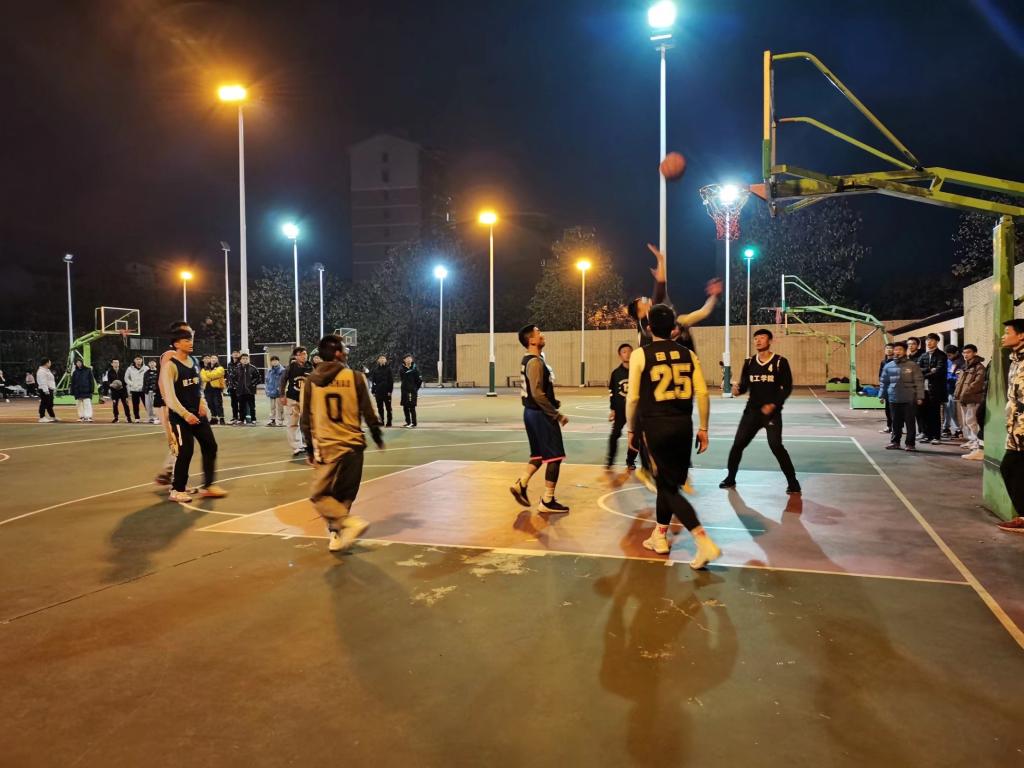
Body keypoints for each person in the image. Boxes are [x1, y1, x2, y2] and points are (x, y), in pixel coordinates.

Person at [624, 304, 719, 566]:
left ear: (649, 328)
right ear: (673, 328)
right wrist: (704, 428)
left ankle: (703, 541)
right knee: (669, 485)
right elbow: (702, 393)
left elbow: (633, 398)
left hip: (656, 427)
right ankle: (660, 535)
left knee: (667, 489)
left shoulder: (641, 354)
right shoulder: (688, 354)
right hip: (683, 426)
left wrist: (631, 430)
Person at [300, 334, 385, 552]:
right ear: (338, 353)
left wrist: (309, 448)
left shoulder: (311, 381)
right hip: (353, 444)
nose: (346, 353)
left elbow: (305, 419)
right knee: (345, 494)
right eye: (344, 349)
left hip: (327, 447)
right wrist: (377, 436)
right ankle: (341, 529)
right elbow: (368, 411)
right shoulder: (355, 377)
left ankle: (341, 528)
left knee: (320, 494)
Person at [719, 329, 800, 494]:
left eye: (762, 338)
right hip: (752, 412)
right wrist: (736, 390)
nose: (758, 341)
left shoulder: (780, 362)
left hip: (771, 413)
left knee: (776, 446)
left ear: (770, 341)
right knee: (737, 445)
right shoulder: (749, 362)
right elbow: (744, 386)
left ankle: (793, 482)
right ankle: (730, 478)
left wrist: (774, 404)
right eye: (755, 338)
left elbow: (787, 388)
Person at [509, 324, 570, 514]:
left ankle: (521, 484)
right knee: (555, 457)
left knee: (538, 455)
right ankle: (547, 500)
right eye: (538, 333)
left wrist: (553, 400)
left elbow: (536, 390)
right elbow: (536, 393)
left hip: (530, 413)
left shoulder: (530, 359)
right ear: (531, 341)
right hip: (540, 414)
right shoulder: (535, 362)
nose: (542, 335)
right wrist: (556, 414)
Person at [161, 328, 225, 503]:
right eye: (186, 340)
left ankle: (208, 486)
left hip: (197, 415)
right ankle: (177, 489)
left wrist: (202, 403)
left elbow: (198, 387)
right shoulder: (171, 366)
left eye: (190, 339)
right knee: (185, 452)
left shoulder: (195, 361)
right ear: (176, 344)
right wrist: (185, 414)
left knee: (210, 446)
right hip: (180, 417)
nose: (190, 343)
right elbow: (170, 397)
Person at [997, 320, 1024, 533]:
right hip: (1015, 426)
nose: (1003, 336)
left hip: (1022, 426)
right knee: (1011, 468)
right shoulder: (1015, 360)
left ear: (1021, 335)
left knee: (1011, 466)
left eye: (1007, 332)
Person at [879, 340, 924, 451]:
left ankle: (910, 444)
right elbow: (884, 382)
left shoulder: (913, 365)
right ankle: (895, 442)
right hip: (893, 398)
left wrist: (920, 396)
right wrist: (882, 395)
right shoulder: (888, 366)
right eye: (896, 350)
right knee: (895, 422)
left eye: (900, 349)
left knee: (910, 422)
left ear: (905, 351)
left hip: (909, 398)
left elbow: (919, 381)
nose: (897, 351)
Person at [605, 343, 637, 474]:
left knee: (635, 438)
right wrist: (612, 409)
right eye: (624, 352)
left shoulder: (637, 371)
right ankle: (610, 460)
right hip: (620, 411)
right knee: (614, 435)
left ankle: (630, 461)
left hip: (635, 411)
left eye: (630, 351)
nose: (627, 354)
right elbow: (612, 392)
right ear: (620, 355)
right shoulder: (616, 373)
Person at [955, 344, 986, 461]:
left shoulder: (979, 367)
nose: (965, 355)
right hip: (963, 398)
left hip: (972, 398)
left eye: (968, 352)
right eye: (964, 352)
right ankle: (973, 440)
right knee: (967, 421)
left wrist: (965, 393)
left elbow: (978, 383)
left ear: (975, 353)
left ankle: (978, 442)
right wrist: (958, 394)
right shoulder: (964, 366)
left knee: (972, 421)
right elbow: (960, 382)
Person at [281, 346, 313, 456]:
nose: (304, 356)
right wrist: (282, 395)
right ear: (296, 356)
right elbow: (283, 381)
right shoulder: (290, 367)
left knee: (308, 423)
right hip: (292, 398)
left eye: (305, 353)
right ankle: (296, 446)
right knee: (293, 423)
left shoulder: (310, 367)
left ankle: (308, 443)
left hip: (307, 399)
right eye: (301, 354)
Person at [917, 333, 947, 444]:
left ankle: (936, 437)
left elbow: (939, 371)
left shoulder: (941, 355)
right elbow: (917, 369)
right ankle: (927, 435)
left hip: (935, 389)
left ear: (937, 342)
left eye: (932, 340)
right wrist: (929, 369)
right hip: (923, 389)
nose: (929, 342)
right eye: (927, 340)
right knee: (924, 413)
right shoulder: (923, 355)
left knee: (935, 413)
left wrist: (924, 374)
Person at [942, 344, 964, 439]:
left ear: (956, 353)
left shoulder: (961, 362)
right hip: (947, 388)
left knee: (951, 409)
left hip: (954, 389)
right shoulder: (948, 361)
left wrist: (946, 377)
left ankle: (957, 429)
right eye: (947, 355)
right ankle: (946, 427)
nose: (948, 357)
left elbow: (958, 377)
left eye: (950, 355)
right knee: (947, 409)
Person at [234, 352, 261, 425]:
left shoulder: (253, 368)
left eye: (246, 358)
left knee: (252, 406)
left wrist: (252, 384)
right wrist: (237, 386)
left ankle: (253, 419)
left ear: (248, 359)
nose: (245, 360)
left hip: (250, 391)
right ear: (240, 360)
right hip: (240, 391)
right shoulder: (237, 369)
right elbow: (233, 378)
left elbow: (258, 378)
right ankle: (241, 419)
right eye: (243, 358)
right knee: (241, 406)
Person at [200, 354, 226, 425]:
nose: (213, 359)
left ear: (217, 360)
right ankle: (214, 418)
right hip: (207, 388)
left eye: (215, 358)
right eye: (212, 358)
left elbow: (216, 374)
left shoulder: (220, 368)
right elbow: (203, 378)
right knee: (210, 403)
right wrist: (211, 377)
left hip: (216, 388)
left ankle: (221, 418)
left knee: (218, 404)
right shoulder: (204, 369)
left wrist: (208, 375)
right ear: (210, 359)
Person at [370, 355, 394, 427]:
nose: (382, 359)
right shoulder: (375, 370)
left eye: (383, 358)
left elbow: (391, 381)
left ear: (386, 360)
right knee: (380, 408)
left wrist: (390, 391)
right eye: (381, 358)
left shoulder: (389, 369)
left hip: (387, 392)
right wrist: (373, 391)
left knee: (388, 408)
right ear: (378, 360)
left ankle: (389, 422)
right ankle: (381, 421)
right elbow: (374, 381)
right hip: (378, 392)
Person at [400, 354, 422, 428]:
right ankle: (408, 422)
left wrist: (415, 388)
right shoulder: (401, 369)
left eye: (410, 358)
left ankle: (413, 423)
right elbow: (402, 379)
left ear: (412, 360)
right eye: (407, 358)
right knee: (405, 407)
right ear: (404, 360)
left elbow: (419, 381)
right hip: (404, 391)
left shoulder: (415, 369)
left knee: (412, 407)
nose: (409, 359)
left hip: (412, 391)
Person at [106, 359, 132, 423]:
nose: (116, 364)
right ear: (112, 364)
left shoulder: (123, 371)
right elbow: (108, 381)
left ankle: (128, 417)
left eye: (117, 362)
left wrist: (122, 385)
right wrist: (111, 385)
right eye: (114, 362)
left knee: (126, 404)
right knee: (115, 405)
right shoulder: (110, 372)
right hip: (114, 391)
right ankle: (116, 418)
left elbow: (126, 379)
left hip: (123, 390)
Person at [264, 355, 286, 426]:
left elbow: (284, 381)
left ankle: (280, 421)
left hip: (279, 392)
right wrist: (267, 389)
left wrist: (281, 389)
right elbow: (267, 380)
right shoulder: (270, 371)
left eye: (276, 360)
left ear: (278, 361)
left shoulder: (282, 370)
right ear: (271, 362)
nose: (274, 362)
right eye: (273, 361)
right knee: (272, 407)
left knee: (280, 407)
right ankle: (272, 420)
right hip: (271, 391)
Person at [878, 343, 895, 434]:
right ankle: (889, 426)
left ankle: (896, 427)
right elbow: (881, 377)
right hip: (887, 389)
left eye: (891, 348)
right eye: (887, 348)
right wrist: (881, 392)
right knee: (887, 409)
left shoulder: (896, 361)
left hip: (895, 389)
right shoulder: (883, 362)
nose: (889, 350)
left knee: (894, 409)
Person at [125, 355, 147, 423]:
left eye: (140, 359)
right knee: (135, 405)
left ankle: (150, 417)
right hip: (134, 390)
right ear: (134, 360)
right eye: (137, 359)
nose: (138, 360)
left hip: (143, 389)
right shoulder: (130, 369)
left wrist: (146, 385)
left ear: (142, 360)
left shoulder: (146, 368)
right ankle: (137, 418)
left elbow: (148, 377)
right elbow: (126, 378)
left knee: (147, 404)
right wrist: (132, 384)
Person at [36, 357, 57, 422]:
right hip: (45, 389)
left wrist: (53, 389)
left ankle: (52, 416)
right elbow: (42, 382)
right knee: (44, 403)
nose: (50, 364)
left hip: (49, 389)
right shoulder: (41, 371)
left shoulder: (47, 370)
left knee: (50, 404)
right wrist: (46, 391)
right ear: (46, 363)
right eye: (50, 362)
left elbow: (51, 380)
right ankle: (42, 417)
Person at [225, 350, 242, 424]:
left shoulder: (241, 363)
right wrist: (228, 385)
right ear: (232, 355)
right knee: (233, 403)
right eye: (234, 353)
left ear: (239, 354)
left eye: (237, 353)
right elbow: (229, 375)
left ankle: (241, 417)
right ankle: (235, 417)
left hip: (239, 387)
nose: (235, 354)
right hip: (232, 387)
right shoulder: (229, 364)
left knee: (241, 403)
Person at [143, 359, 160, 423]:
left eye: (153, 362)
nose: (152, 364)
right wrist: (144, 390)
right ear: (148, 364)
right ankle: (150, 418)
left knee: (155, 405)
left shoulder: (159, 372)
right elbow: (144, 382)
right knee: (148, 405)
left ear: (155, 363)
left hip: (156, 392)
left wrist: (158, 391)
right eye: (150, 363)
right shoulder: (146, 373)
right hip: (148, 392)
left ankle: (157, 418)